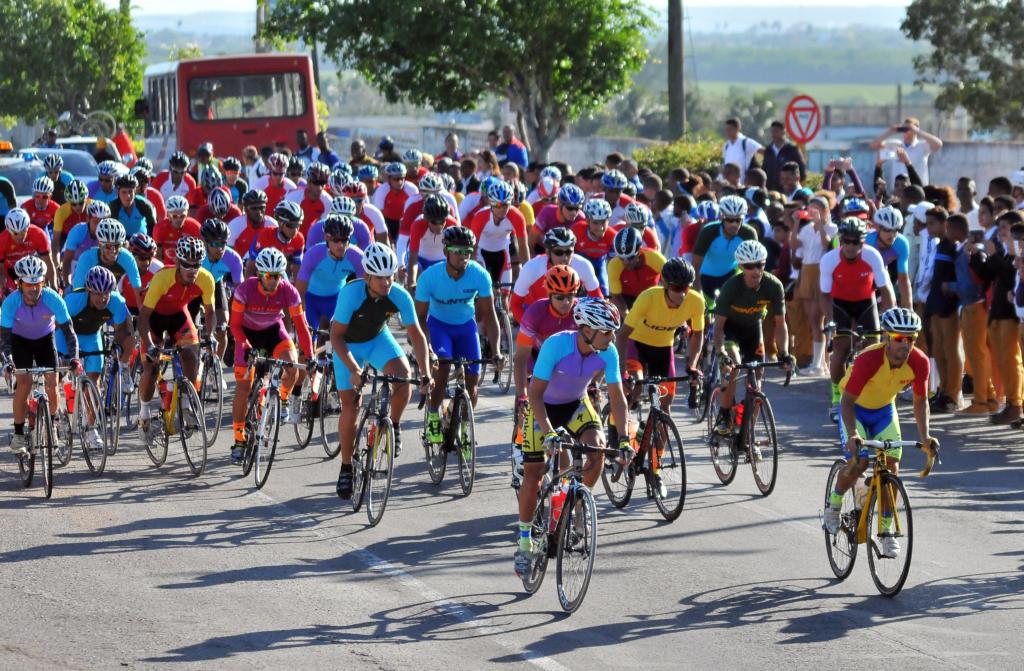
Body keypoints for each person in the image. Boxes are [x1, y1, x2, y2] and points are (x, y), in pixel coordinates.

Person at [514, 298, 631, 577]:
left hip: (576, 404)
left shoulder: (608, 351)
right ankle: (524, 542)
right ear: (587, 329)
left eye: (614, 331)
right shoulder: (556, 345)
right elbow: (535, 394)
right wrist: (550, 432)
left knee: (598, 450)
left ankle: (576, 505)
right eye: (607, 331)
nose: (612, 337)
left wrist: (625, 439)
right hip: (544, 407)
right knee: (534, 473)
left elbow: (618, 399)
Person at [823, 307, 938, 558]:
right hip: (856, 410)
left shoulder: (919, 362)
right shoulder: (869, 360)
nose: (905, 345)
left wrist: (925, 437)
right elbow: (847, 402)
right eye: (899, 338)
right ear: (886, 337)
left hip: (885, 410)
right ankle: (834, 504)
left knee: (892, 467)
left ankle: (885, 530)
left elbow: (920, 402)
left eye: (911, 339)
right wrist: (853, 433)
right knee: (859, 461)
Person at [330, 243, 432, 498]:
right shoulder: (351, 294)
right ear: (367, 277)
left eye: (390, 276)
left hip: (376, 339)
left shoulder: (399, 295)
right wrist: (354, 369)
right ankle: (345, 468)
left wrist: (427, 372)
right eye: (381, 278)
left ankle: (393, 426)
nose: (387, 282)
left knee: (403, 377)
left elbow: (417, 336)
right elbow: (337, 337)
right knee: (351, 405)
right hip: (348, 345)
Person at [415, 226, 501, 449]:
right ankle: (433, 415)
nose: (463, 256)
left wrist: (497, 350)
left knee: (472, 387)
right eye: (457, 251)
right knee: (442, 370)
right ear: (445, 252)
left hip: (465, 328)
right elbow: (420, 319)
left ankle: (459, 421)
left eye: (467, 252)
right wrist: (429, 351)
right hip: (438, 327)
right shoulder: (430, 277)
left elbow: (490, 317)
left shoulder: (479, 275)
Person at [228, 247, 315, 459]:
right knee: (243, 388)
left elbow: (301, 327)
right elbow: (235, 325)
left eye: (278, 276)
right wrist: (246, 346)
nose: (273, 280)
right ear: (259, 274)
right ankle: (239, 440)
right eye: (269, 276)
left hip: (273, 332)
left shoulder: (288, 290)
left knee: (292, 364)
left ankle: (282, 398)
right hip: (247, 335)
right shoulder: (245, 290)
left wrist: (310, 357)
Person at [136, 237, 216, 441]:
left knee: (191, 352)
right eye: (187, 265)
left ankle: (187, 405)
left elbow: (210, 313)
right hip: (154, 318)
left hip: (179, 316)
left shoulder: (206, 279)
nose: (192, 269)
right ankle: (144, 414)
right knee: (151, 366)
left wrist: (210, 334)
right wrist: (151, 345)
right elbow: (143, 318)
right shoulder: (163, 278)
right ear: (178, 263)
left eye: (197, 264)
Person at [1, 256, 82, 455]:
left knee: (53, 383)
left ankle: (51, 425)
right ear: (20, 283)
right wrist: (7, 362)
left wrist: (74, 358)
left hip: (46, 339)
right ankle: (19, 434)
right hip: (20, 342)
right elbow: (3, 340)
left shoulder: (53, 298)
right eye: (29, 283)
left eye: (38, 283)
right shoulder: (11, 303)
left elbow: (69, 332)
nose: (34, 288)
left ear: (43, 282)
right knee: (24, 384)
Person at [711, 240, 792, 435]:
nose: (756, 271)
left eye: (760, 265)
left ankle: (749, 433)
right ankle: (723, 414)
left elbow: (780, 324)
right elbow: (719, 327)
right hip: (730, 329)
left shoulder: (773, 285)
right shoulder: (731, 287)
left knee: (757, 378)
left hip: (753, 329)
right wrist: (721, 352)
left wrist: (784, 353)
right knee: (733, 366)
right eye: (749, 266)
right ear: (741, 266)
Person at [821, 217, 895, 422]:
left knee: (873, 351)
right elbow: (824, 296)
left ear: (863, 242)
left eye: (857, 242)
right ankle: (837, 396)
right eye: (847, 241)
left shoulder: (873, 256)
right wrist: (829, 321)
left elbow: (886, 291)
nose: (851, 246)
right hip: (840, 305)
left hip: (866, 303)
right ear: (841, 240)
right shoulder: (829, 259)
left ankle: (870, 395)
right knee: (841, 349)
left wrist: (890, 318)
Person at [57, 266, 134, 448]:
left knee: (94, 385)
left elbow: (124, 328)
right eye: (97, 294)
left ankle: (91, 429)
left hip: (92, 336)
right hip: (67, 336)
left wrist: (117, 345)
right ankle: (58, 414)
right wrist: (65, 355)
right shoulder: (73, 301)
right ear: (88, 291)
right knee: (57, 376)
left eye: (106, 293)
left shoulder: (116, 301)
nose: (102, 298)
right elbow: (58, 326)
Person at [617, 258, 704, 413]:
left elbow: (697, 335)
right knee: (635, 387)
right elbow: (622, 335)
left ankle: (653, 432)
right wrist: (622, 372)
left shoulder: (696, 301)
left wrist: (692, 365)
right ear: (665, 285)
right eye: (677, 288)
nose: (682, 294)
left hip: (664, 349)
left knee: (665, 404)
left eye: (686, 288)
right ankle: (617, 429)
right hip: (637, 345)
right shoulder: (648, 297)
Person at [513, 265, 580, 401]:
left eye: (570, 295)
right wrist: (521, 396)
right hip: (537, 359)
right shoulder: (535, 313)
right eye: (560, 297)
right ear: (549, 295)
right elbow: (521, 358)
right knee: (531, 403)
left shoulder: (581, 312)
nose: (566, 302)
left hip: (568, 361)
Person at [510, 227, 602, 322]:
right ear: (548, 253)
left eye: (568, 252)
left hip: (568, 314)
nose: (564, 257)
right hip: (537, 316)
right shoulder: (532, 268)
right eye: (559, 252)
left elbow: (598, 300)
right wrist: (528, 328)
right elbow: (515, 304)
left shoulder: (583, 266)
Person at [790, 196, 837, 376]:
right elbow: (794, 245)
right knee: (812, 320)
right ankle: (820, 362)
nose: (812, 213)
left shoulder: (832, 228)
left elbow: (828, 245)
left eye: (816, 210)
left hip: (821, 271)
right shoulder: (807, 229)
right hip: (807, 271)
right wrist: (796, 223)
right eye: (810, 210)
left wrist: (820, 225)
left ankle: (821, 363)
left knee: (820, 319)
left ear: (825, 211)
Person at [295, 214, 365, 335]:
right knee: (307, 344)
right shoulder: (313, 254)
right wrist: (300, 317)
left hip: (336, 299)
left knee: (330, 338)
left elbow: (364, 290)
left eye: (344, 240)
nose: (341, 245)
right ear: (327, 238)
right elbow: (299, 292)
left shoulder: (357, 256)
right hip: (310, 299)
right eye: (336, 240)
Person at [692, 195, 759, 300]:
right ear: (722, 217)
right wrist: (699, 296)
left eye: (738, 220)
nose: (734, 224)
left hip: (730, 275)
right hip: (705, 277)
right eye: (730, 219)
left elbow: (754, 266)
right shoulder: (708, 231)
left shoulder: (748, 233)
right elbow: (695, 266)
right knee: (705, 311)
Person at [607, 226, 666, 317]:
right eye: (622, 258)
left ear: (639, 252)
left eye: (630, 258)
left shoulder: (656, 259)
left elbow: (671, 286)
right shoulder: (614, 265)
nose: (626, 263)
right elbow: (616, 296)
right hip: (626, 298)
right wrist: (628, 318)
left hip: (651, 297)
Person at [870, 117, 943, 186]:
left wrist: (917, 131)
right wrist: (890, 131)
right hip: (898, 190)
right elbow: (873, 145)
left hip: (918, 189)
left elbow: (938, 144)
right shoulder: (896, 145)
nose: (906, 132)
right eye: (904, 129)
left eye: (909, 129)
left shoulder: (922, 146)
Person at [865, 206, 913, 308]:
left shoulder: (901, 243)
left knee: (891, 306)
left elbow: (903, 279)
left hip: (883, 271)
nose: (891, 235)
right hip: (863, 273)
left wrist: (909, 310)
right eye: (887, 230)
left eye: (895, 230)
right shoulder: (867, 241)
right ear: (877, 228)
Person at [406, 195, 457, 290]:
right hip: (419, 257)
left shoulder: (453, 225)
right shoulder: (418, 225)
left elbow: (455, 256)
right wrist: (412, 284)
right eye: (434, 222)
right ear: (427, 219)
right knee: (419, 281)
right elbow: (413, 260)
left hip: (440, 259)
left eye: (442, 221)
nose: (439, 226)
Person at [0, 208, 54, 293]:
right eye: (15, 233)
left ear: (27, 228)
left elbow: (48, 263)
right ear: (8, 230)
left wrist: (54, 287)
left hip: (33, 269)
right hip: (11, 271)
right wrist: (4, 290)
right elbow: (1, 271)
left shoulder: (39, 234)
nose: (19, 237)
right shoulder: (2, 240)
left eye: (22, 232)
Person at [248, 200, 305, 278]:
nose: (295, 230)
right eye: (291, 225)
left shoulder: (299, 239)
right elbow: (251, 266)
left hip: (278, 274)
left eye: (298, 225)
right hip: (258, 271)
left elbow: (297, 269)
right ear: (280, 223)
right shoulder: (265, 235)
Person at [530, 183, 586, 253]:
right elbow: (531, 243)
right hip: (543, 251)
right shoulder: (546, 212)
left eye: (577, 208)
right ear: (559, 203)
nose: (574, 213)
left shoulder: (581, 218)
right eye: (570, 208)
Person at [227, 189, 278, 260]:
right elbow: (226, 254)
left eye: (262, 208)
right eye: (254, 208)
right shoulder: (235, 225)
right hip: (240, 266)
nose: (259, 212)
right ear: (246, 209)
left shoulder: (273, 225)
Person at [152, 196, 201, 266]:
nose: (179, 220)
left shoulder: (195, 227)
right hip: (167, 266)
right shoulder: (160, 228)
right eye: (174, 216)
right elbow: (158, 256)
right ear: (168, 215)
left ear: (187, 214)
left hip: (188, 266)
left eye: (182, 216)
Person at [108, 173, 157, 238]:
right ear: (117, 192)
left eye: (130, 191)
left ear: (135, 191)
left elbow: (153, 229)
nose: (128, 196)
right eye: (124, 192)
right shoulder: (113, 206)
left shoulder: (144, 205)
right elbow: (111, 230)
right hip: (121, 240)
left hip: (142, 239)